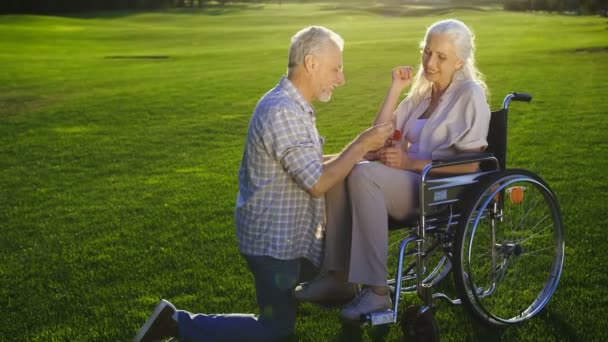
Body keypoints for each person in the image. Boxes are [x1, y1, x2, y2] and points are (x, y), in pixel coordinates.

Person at [133, 26, 393, 341]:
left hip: (290, 237)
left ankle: (348, 300)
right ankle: (175, 323)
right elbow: (317, 182)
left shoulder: (293, 104)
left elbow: (311, 165)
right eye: (336, 68)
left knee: (346, 271)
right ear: (311, 64)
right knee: (274, 330)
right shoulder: (281, 112)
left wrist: (368, 154)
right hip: (274, 245)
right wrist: (362, 144)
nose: (342, 78)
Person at [293, 19, 491, 321]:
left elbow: (471, 164)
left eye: (441, 57)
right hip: (413, 183)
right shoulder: (423, 94)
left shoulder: (470, 95)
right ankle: (338, 278)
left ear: (460, 62)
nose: (430, 62)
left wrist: (409, 162)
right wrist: (396, 88)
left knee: (364, 173)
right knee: (344, 171)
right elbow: (380, 132)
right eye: (427, 52)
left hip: (444, 189)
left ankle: (377, 294)